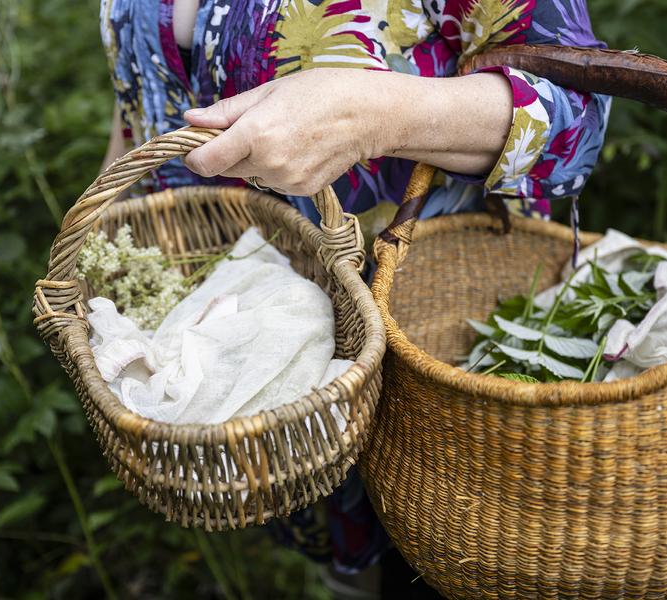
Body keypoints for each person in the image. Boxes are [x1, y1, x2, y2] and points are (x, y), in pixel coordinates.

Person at [99, 0, 610, 592]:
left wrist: (374, 115)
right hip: (261, 386)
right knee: (348, 576)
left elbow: (579, 118)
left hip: (427, 379)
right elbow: (140, 106)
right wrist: (105, 264)